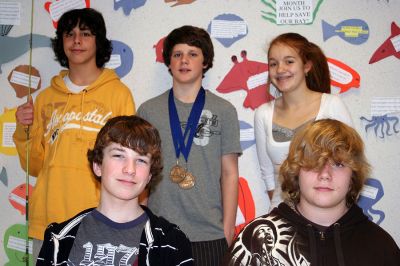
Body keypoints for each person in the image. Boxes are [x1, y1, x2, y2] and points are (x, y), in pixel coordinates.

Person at [12, 8, 135, 260]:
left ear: (98, 41)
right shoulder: (45, 98)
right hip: (48, 222)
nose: (77, 40)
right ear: (62, 42)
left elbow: (128, 165)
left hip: (101, 222)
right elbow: (33, 165)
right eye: (69, 34)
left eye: (86, 34)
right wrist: (24, 131)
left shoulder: (119, 95)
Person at [224, 119, 400, 266]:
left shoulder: (379, 246)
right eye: (314, 161)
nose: (325, 174)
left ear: (353, 176)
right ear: (296, 170)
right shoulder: (255, 239)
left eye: (338, 164)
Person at [137, 25, 242, 265]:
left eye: (193, 54)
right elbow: (140, 172)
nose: (184, 60)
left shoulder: (224, 111)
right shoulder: (148, 110)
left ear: (205, 62)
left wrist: (227, 232)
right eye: (177, 54)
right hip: (158, 231)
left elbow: (229, 174)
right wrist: (139, 223)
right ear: (169, 62)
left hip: (209, 235)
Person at [36, 115, 193, 265]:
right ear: (98, 166)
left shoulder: (171, 241)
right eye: (118, 155)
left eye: (141, 160)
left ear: (149, 175)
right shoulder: (58, 237)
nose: (130, 169)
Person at [254, 33, 353, 210]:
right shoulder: (263, 114)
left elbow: (352, 163)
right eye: (273, 63)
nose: (280, 69)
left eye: (289, 61)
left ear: (306, 66)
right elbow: (268, 174)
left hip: (327, 215)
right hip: (282, 216)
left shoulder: (332, 105)